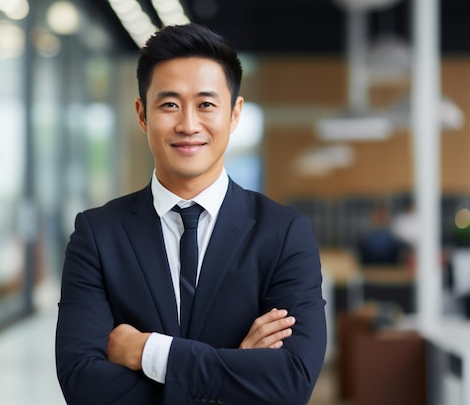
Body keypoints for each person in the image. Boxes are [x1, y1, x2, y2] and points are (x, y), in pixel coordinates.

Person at [55, 23, 327, 405]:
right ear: (142, 114)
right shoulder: (98, 234)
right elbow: (83, 385)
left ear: (234, 114)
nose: (187, 124)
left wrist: (149, 351)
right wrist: (238, 368)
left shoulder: (283, 233)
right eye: (169, 104)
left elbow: (291, 381)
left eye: (206, 104)